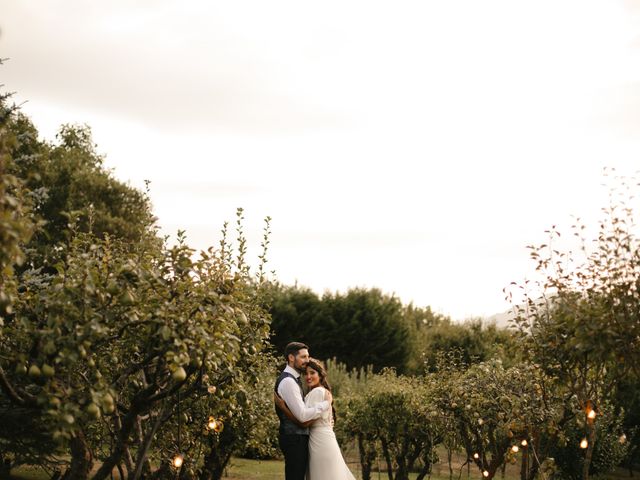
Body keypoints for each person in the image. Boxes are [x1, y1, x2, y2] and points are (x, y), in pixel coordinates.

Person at [276, 357, 356, 480]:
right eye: (306, 373)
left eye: (312, 373)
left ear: (320, 375)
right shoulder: (321, 392)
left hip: (320, 443)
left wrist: (283, 408)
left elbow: (304, 422)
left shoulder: (317, 392)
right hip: (325, 440)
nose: (308, 377)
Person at [275, 342, 332, 480]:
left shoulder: (294, 380)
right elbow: (302, 416)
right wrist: (326, 404)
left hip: (296, 438)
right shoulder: (288, 382)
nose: (307, 361)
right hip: (294, 438)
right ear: (291, 358)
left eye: (308, 356)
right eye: (303, 357)